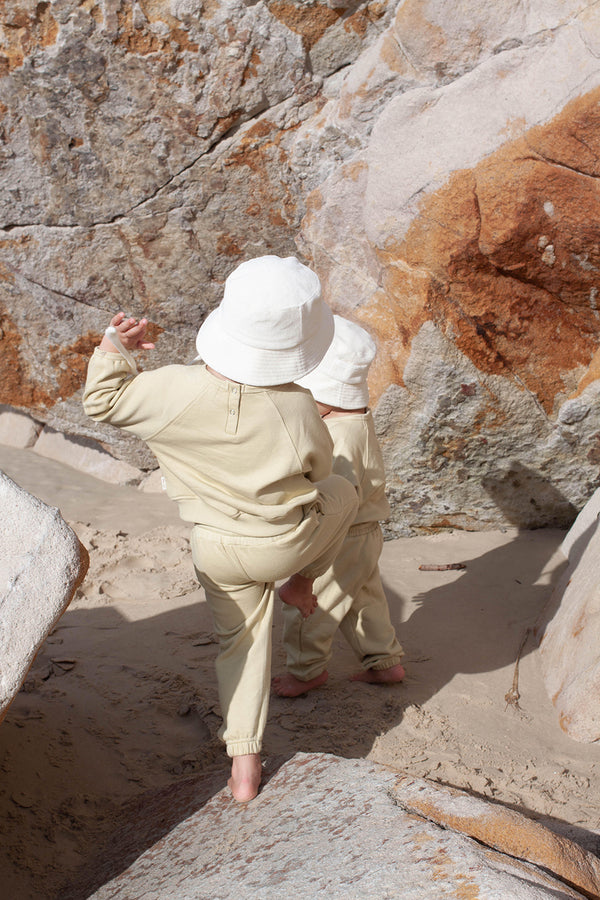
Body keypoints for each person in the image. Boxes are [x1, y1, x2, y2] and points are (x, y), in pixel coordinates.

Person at [82, 256, 359, 802]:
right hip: (284, 544)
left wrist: (115, 349)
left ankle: (244, 767)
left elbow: (101, 402)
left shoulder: (168, 390)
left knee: (242, 642)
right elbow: (318, 475)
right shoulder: (298, 408)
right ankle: (303, 582)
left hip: (215, 548)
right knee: (343, 492)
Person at [273, 315, 405, 698]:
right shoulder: (359, 422)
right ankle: (384, 662)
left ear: (326, 397)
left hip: (340, 536)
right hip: (367, 534)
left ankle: (305, 670)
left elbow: (336, 496)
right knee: (364, 599)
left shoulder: (338, 437)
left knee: (311, 605)